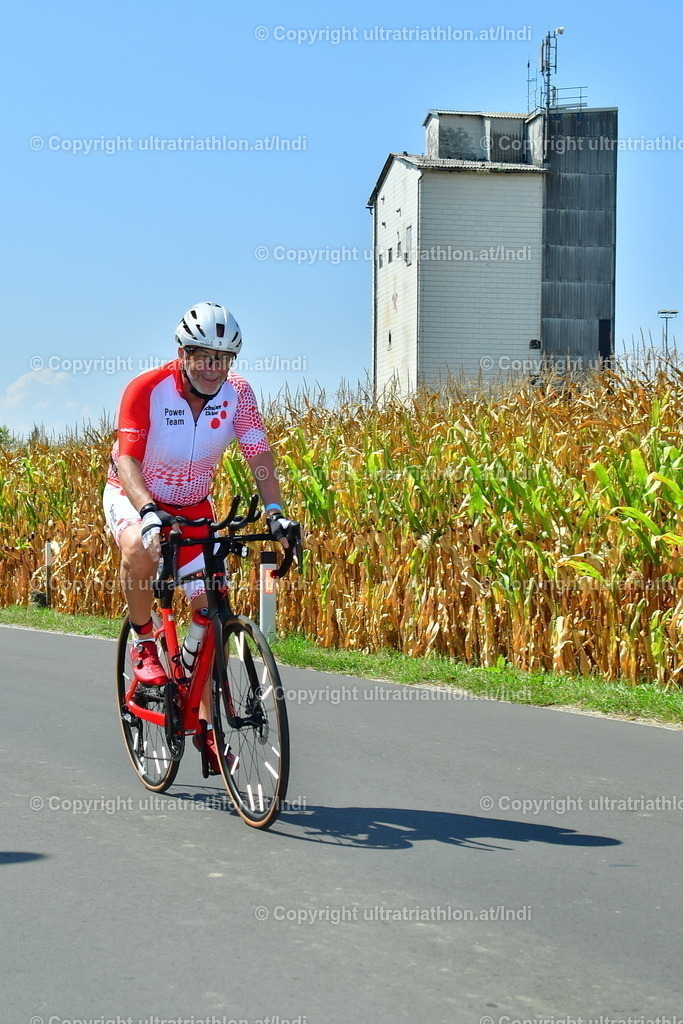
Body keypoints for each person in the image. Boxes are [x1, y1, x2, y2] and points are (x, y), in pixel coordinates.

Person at [103, 301, 297, 772]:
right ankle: (146, 645)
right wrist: (146, 508)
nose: (214, 368)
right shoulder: (147, 388)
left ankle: (204, 722)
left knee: (209, 608)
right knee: (138, 547)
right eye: (204, 356)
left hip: (194, 509)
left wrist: (276, 513)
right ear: (183, 352)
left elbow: (260, 456)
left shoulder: (239, 394)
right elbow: (127, 458)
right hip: (134, 495)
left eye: (224, 359)